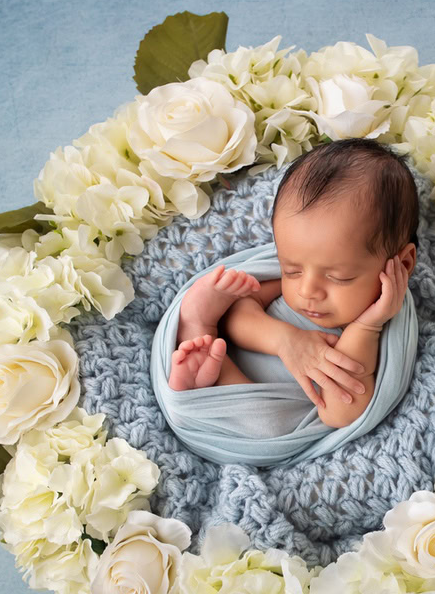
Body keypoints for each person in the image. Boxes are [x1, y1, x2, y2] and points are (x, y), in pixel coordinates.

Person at [166, 137, 420, 429]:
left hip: (263, 406)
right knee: (220, 324)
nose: (306, 290)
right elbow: (238, 312)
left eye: (339, 277)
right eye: (291, 270)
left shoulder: (384, 329)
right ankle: (196, 324)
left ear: (402, 265)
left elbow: (340, 414)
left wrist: (367, 326)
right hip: (226, 350)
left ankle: (202, 381)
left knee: (272, 425)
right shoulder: (289, 286)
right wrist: (286, 341)